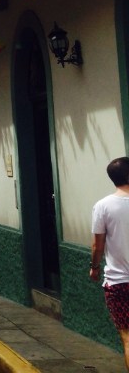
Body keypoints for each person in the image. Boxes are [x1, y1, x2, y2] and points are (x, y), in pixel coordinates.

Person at [91, 156, 129, 370]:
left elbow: (98, 245)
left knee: (127, 338)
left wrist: (94, 268)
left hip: (119, 283)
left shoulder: (102, 206)